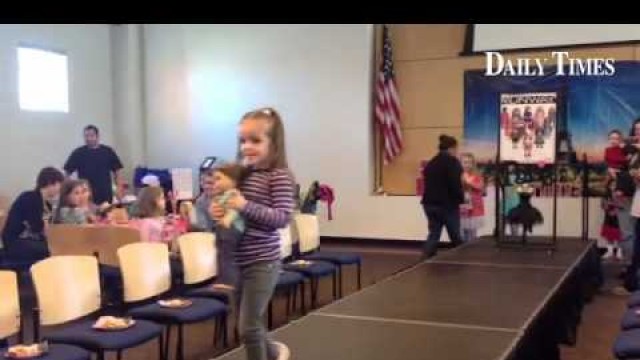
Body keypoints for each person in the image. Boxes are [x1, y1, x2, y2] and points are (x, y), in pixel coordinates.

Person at [209, 107, 294, 360]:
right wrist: (218, 209)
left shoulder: (278, 177)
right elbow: (229, 205)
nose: (247, 146)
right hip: (238, 261)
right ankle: (274, 352)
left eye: (255, 140)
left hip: (262, 262)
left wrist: (245, 205)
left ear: (273, 143)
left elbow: (282, 217)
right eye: (243, 140)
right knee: (248, 325)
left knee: (248, 326)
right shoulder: (243, 175)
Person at [1, 167, 64, 262]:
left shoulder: (48, 204)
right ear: (50, 183)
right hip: (16, 240)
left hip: (30, 239)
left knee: (55, 247)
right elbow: (36, 227)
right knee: (50, 250)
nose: (60, 189)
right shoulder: (30, 197)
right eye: (58, 184)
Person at [421, 134, 464, 258]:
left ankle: (425, 259)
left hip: (429, 204)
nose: (456, 151)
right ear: (451, 148)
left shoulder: (431, 163)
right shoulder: (453, 162)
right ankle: (463, 259)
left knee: (434, 233)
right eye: (456, 149)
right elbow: (455, 184)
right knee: (455, 236)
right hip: (447, 204)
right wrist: (461, 199)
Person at [210, 163, 249, 290]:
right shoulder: (221, 195)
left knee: (228, 256)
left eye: (219, 178)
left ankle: (230, 282)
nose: (215, 182)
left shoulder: (233, 193)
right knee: (222, 255)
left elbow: (236, 209)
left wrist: (228, 218)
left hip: (231, 228)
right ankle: (223, 279)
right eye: (214, 179)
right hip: (222, 229)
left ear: (233, 180)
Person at [64, 125, 124, 205]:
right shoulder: (78, 153)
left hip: (105, 195)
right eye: (86, 136)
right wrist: (70, 193)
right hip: (86, 196)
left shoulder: (107, 151)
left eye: (91, 136)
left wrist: (119, 189)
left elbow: (118, 171)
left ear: (98, 136)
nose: (88, 139)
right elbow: (67, 173)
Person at [460, 153, 485, 242]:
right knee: (461, 235)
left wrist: (469, 183)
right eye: (465, 162)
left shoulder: (477, 175)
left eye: (469, 162)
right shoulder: (458, 175)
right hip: (461, 208)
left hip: (474, 209)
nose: (467, 165)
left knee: (472, 235)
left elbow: (481, 187)